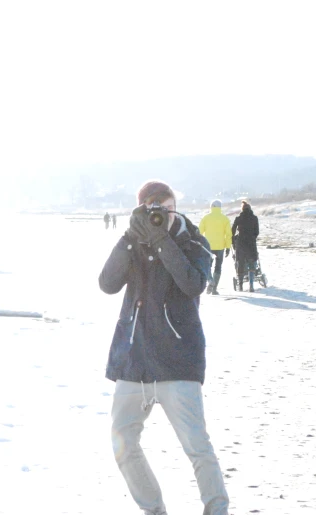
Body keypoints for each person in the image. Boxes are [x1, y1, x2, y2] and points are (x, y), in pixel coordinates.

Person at [98, 180, 229, 515]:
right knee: (123, 445)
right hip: (134, 362)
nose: (161, 215)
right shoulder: (135, 242)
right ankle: (154, 511)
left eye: (166, 208)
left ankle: (217, 510)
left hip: (178, 362)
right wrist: (129, 238)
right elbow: (107, 284)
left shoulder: (194, 242)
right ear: (142, 209)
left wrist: (161, 240)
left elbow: (193, 284)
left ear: (175, 207)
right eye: (152, 209)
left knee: (197, 448)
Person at [198, 199, 232, 295]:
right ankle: (214, 289)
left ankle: (210, 280)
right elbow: (228, 234)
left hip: (208, 247)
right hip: (220, 246)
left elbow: (199, 232)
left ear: (211, 207)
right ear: (220, 207)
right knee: (218, 267)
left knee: (207, 265)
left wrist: (200, 244)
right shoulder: (225, 219)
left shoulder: (206, 218)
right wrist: (228, 247)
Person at [231, 200, 260, 292]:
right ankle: (251, 285)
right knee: (251, 263)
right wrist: (252, 237)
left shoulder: (238, 218)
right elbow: (257, 232)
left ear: (242, 209)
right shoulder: (254, 218)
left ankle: (240, 285)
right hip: (251, 243)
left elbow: (232, 231)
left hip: (240, 243)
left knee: (241, 263)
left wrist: (233, 241)